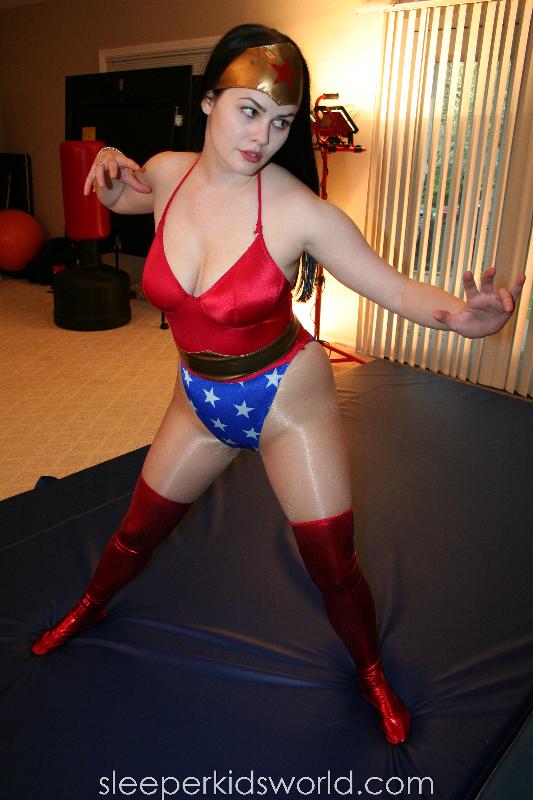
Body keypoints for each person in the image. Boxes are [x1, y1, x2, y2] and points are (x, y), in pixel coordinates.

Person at [32, 24, 524, 747]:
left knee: (332, 563)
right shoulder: (168, 171)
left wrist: (463, 319)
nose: (262, 136)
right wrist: (109, 172)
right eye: (249, 111)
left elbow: (393, 287)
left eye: (282, 121)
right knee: (137, 529)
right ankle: (91, 605)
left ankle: (370, 672)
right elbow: (126, 200)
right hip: (198, 399)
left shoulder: (299, 211)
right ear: (208, 102)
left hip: (286, 403)